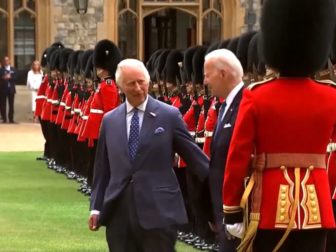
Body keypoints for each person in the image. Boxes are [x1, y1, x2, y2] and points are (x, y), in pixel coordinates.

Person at [222, 0, 336, 251]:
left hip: (269, 206)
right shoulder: (331, 97)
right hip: (318, 205)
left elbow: (238, 155)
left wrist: (231, 208)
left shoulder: (256, 95)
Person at [88, 58, 209, 252]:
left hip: (159, 213)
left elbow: (197, 160)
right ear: (120, 86)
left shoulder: (169, 116)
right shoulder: (110, 121)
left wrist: (220, 199)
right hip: (120, 215)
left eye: (141, 81)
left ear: (148, 81)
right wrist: (96, 207)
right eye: (131, 83)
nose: (138, 88)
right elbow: (102, 170)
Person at [203, 48, 245, 252]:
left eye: (207, 75)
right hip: (224, 209)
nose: (205, 81)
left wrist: (235, 212)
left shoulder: (246, 102)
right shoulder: (225, 106)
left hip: (238, 212)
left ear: (223, 74)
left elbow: (243, 160)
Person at [0, 56, 16, 123]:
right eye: (5, 60)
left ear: (9, 61)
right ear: (3, 62)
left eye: (7, 60)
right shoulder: (1, 70)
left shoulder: (13, 69)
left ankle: (11, 119)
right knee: (3, 104)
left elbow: (16, 77)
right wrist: (3, 77)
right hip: (3, 89)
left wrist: (10, 77)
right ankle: (4, 118)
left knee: (11, 105)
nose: (6, 61)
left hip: (11, 89)